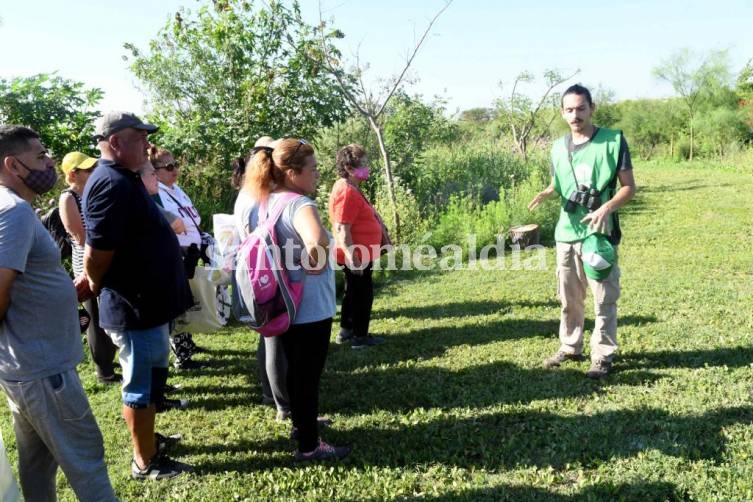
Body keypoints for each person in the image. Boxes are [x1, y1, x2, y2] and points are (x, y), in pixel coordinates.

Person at [0, 125, 117, 500]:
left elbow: (21, 284)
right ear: (13, 165)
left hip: (27, 368)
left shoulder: (13, 209)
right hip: (43, 370)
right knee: (87, 462)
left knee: (37, 466)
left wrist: (66, 293)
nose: (49, 162)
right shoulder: (14, 212)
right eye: (39, 156)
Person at [83, 111, 193, 480]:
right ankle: (145, 461)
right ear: (115, 142)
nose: (147, 144)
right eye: (139, 137)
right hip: (134, 308)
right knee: (141, 386)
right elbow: (97, 254)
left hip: (149, 305)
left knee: (151, 381)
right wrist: (94, 284)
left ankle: (150, 441)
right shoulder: (110, 183)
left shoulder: (125, 178)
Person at [238, 137, 349, 461]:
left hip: (282, 302)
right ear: (291, 172)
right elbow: (316, 240)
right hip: (309, 306)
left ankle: (303, 426)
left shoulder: (265, 201)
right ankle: (310, 445)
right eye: (313, 169)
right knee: (307, 375)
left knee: (296, 372)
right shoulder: (299, 204)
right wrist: (313, 262)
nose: (318, 175)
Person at [528, 84, 636, 379]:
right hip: (566, 234)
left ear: (592, 108)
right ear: (562, 113)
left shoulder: (612, 141)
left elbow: (629, 187)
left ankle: (602, 355)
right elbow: (559, 183)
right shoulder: (557, 147)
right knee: (569, 298)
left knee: (604, 298)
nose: (575, 115)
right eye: (569, 110)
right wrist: (548, 192)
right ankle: (570, 346)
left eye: (581, 108)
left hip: (598, 236)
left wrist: (606, 208)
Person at [233, 136, 291, 420]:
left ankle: (272, 394)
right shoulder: (258, 199)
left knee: (268, 337)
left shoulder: (249, 193)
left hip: (259, 271)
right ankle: (282, 404)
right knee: (274, 340)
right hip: (267, 274)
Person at [59, 151, 120, 384]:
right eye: (88, 170)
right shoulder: (68, 198)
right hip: (86, 265)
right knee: (94, 318)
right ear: (73, 174)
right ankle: (104, 371)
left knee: (107, 314)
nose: (93, 172)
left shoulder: (91, 193)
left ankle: (111, 362)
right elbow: (81, 237)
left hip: (102, 261)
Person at [149, 147, 208, 370]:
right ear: (155, 171)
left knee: (185, 299)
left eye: (176, 165)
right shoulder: (157, 194)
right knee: (176, 302)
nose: (175, 170)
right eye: (169, 167)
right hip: (176, 252)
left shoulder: (175, 188)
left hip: (190, 250)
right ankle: (181, 354)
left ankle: (187, 344)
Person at [328, 144, 389, 349]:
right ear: (349, 168)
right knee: (362, 294)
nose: (367, 167)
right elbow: (342, 229)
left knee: (352, 292)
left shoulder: (350, 187)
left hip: (359, 253)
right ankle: (360, 337)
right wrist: (353, 259)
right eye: (363, 164)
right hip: (356, 255)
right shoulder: (346, 192)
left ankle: (346, 331)